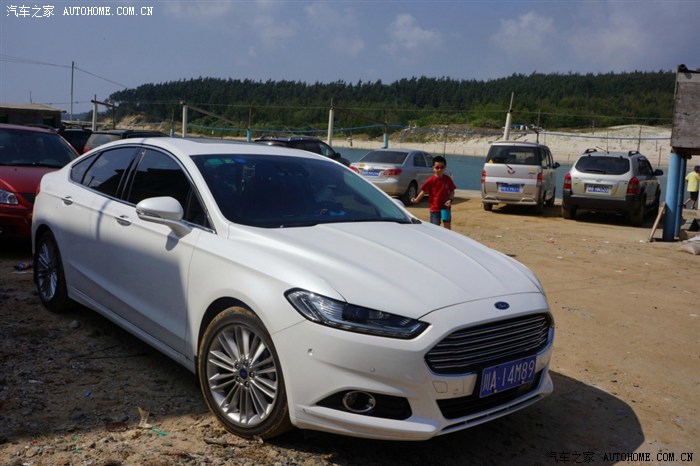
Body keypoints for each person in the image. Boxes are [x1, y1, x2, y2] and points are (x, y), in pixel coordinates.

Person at [410, 156, 457, 229]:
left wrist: (450, 200)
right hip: (435, 209)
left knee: (447, 226)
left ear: (445, 167)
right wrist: (416, 200)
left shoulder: (447, 179)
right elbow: (423, 191)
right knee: (435, 228)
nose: (439, 169)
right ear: (433, 168)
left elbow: (452, 191)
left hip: (446, 208)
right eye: (437, 167)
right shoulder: (431, 180)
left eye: (442, 167)